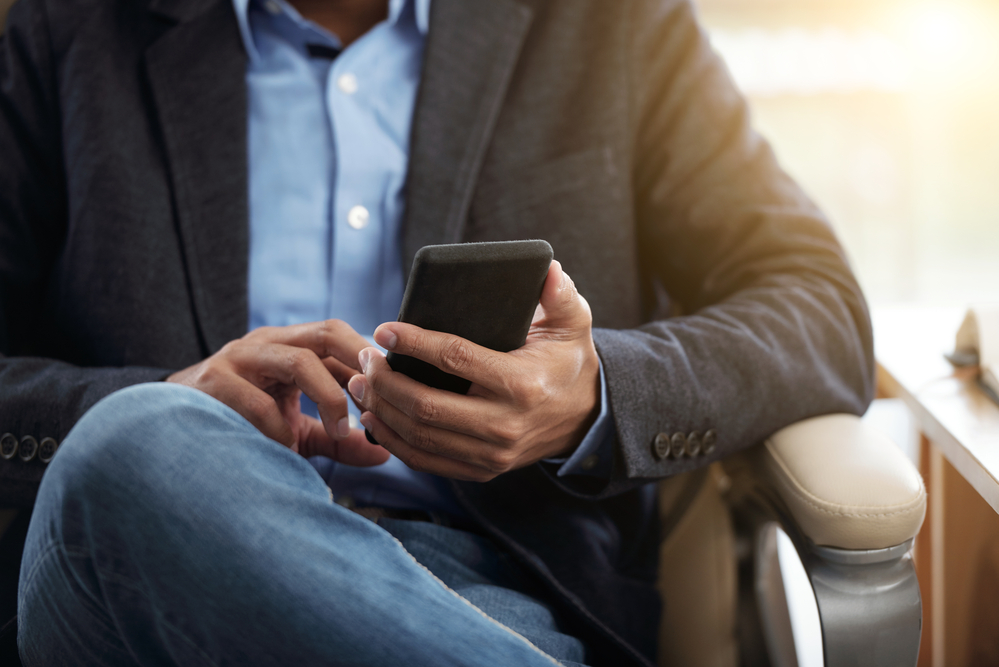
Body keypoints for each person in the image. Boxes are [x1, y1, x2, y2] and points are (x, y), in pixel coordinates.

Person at [0, 0, 875, 664]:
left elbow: (817, 304)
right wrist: (160, 408)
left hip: (479, 593)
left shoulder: (608, 26)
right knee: (137, 441)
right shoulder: (63, 33)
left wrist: (590, 395)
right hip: (133, 581)